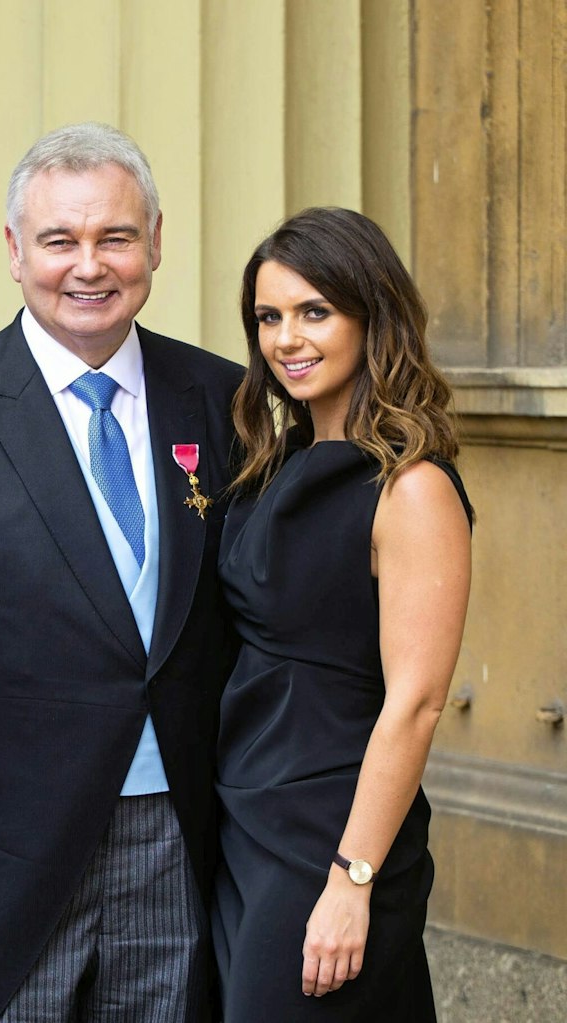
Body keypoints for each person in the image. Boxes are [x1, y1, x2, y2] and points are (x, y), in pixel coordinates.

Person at [0, 121, 244, 1022]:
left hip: (182, 836)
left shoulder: (223, 399)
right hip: (6, 855)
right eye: (60, 240)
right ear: (16, 251)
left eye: (115, 236)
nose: (88, 265)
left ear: (154, 242)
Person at [213, 206, 472, 1019]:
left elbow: (418, 702)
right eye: (269, 317)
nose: (287, 338)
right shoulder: (270, 464)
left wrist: (351, 878)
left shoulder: (412, 487)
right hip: (246, 818)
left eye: (314, 311)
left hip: (332, 835)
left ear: (372, 315)